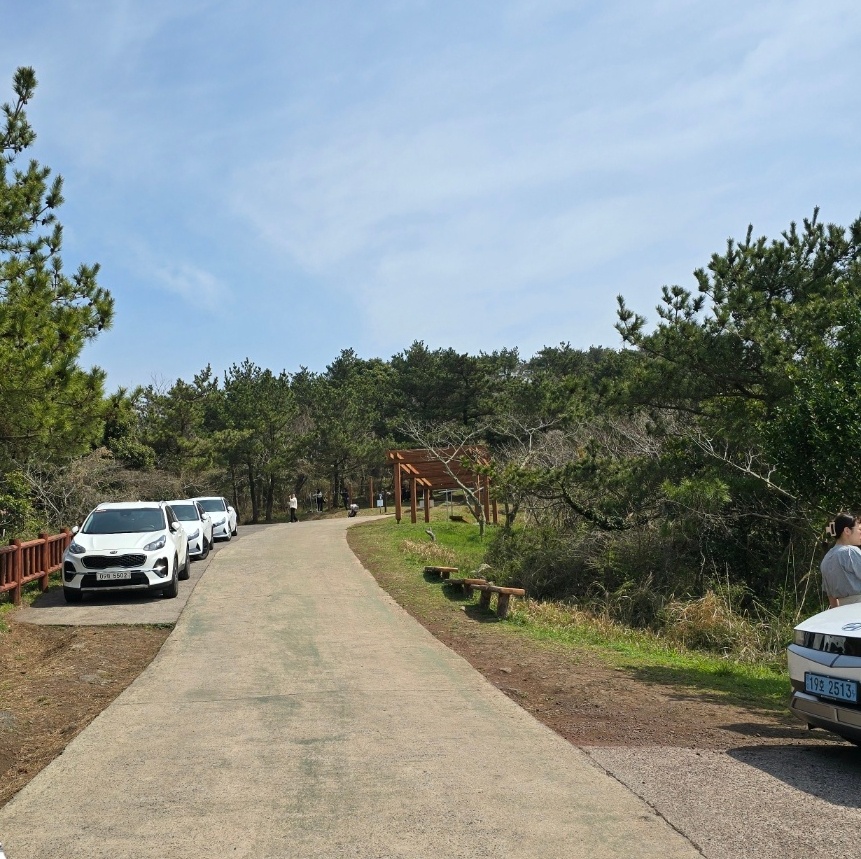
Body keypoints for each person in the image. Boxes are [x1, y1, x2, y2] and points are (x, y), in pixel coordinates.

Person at [821, 513, 861, 607]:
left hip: (843, 610)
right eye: (859, 529)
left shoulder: (826, 559)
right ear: (847, 530)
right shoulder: (850, 551)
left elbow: (831, 598)